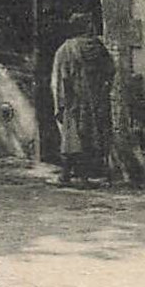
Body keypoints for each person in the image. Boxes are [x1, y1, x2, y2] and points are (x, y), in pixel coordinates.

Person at [52, 12, 115, 186]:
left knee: (71, 139)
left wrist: (60, 103)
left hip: (74, 101)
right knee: (91, 137)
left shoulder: (66, 50)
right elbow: (111, 70)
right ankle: (84, 177)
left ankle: (66, 175)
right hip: (95, 99)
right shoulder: (99, 47)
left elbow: (59, 79)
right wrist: (104, 90)